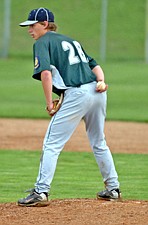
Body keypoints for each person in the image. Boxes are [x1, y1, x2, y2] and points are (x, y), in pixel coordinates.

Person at [18, 7, 121, 206]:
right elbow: (94, 64)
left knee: (51, 144)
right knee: (99, 141)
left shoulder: (42, 42)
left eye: (32, 25)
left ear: (44, 24)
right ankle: (113, 188)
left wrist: (49, 104)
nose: (29, 30)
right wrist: (101, 80)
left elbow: (46, 74)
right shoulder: (71, 40)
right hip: (97, 93)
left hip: (77, 94)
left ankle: (41, 191)